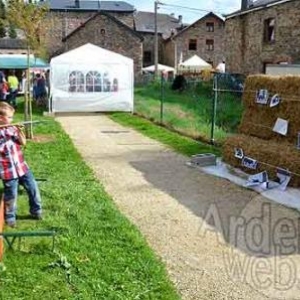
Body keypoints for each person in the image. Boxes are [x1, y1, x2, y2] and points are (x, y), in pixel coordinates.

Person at [0, 102, 42, 227]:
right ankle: (10, 217)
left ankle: (36, 210)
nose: (12, 120)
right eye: (10, 117)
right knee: (11, 194)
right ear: (1, 118)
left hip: (22, 167)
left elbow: (23, 142)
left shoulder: (12, 128)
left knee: (33, 187)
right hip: (8, 171)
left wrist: (19, 132)